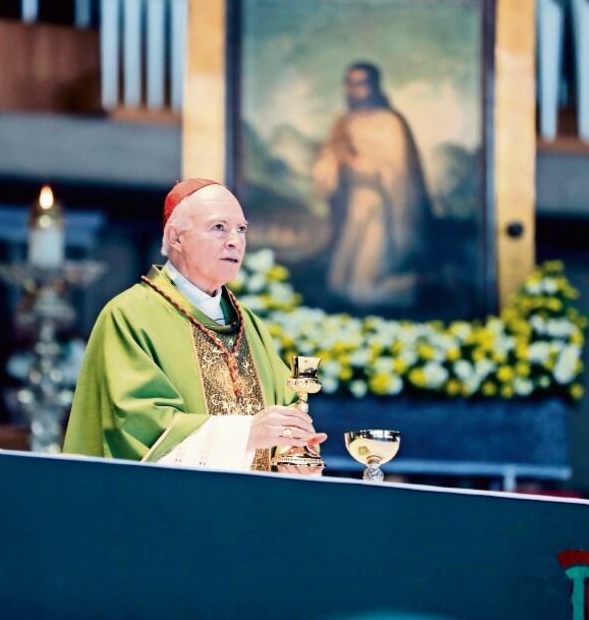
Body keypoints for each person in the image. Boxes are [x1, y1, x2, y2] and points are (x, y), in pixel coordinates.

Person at [64, 179, 327, 472]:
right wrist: (247, 434)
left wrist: (293, 452)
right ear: (175, 237)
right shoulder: (130, 315)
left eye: (241, 229)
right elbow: (139, 430)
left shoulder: (248, 324)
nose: (234, 240)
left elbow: (285, 410)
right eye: (219, 227)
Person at [312, 61, 433, 310]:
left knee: (361, 291)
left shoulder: (390, 123)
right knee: (337, 284)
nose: (353, 90)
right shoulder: (344, 124)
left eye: (360, 84)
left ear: (373, 86)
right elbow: (327, 165)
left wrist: (356, 165)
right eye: (349, 84)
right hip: (353, 211)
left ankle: (420, 286)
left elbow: (396, 175)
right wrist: (333, 166)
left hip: (381, 211)